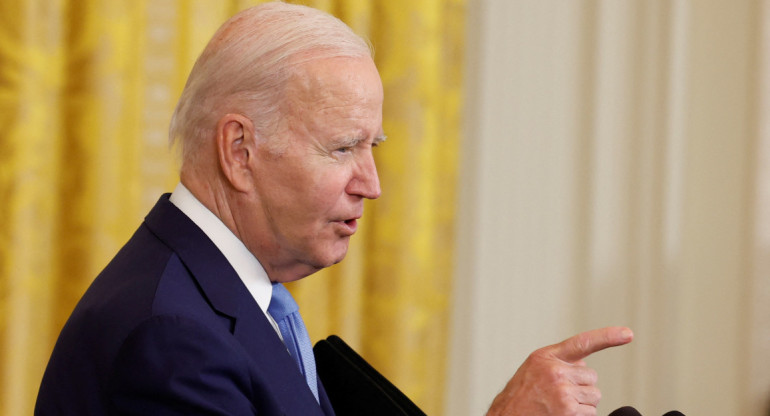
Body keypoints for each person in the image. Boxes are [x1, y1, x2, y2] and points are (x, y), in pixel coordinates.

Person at [35, 2, 633, 415]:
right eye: (342, 147)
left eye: (371, 147)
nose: (371, 185)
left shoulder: (228, 300)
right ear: (239, 150)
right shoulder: (171, 338)